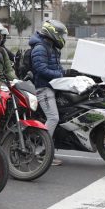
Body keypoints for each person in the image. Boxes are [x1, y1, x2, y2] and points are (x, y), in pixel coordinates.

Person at [29, 20, 67, 166]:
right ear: (53, 33)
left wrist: (65, 73)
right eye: (61, 34)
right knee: (53, 118)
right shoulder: (40, 48)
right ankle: (41, 153)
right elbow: (41, 69)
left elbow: (56, 67)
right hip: (43, 88)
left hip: (52, 87)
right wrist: (60, 74)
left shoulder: (50, 46)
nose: (62, 37)